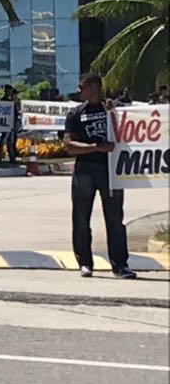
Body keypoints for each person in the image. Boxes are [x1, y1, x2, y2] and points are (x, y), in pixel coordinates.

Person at [64, 73, 135, 279]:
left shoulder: (115, 109)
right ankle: (85, 263)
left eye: (82, 87)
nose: (78, 91)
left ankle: (120, 265)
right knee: (81, 218)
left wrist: (113, 114)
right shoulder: (76, 113)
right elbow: (68, 146)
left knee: (115, 219)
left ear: (95, 87)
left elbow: (132, 132)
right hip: (84, 171)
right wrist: (96, 147)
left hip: (111, 171)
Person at [0, 84, 22, 164]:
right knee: (3, 140)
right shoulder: (2, 101)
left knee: (10, 142)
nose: (10, 92)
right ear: (6, 91)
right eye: (9, 91)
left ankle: (12, 158)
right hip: (5, 124)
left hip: (12, 124)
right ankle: (0, 156)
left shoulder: (12, 102)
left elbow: (16, 113)